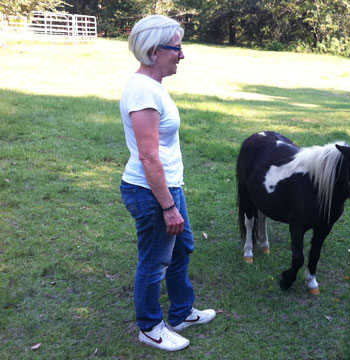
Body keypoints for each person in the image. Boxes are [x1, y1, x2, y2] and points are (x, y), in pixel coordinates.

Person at [119, 15, 215, 352]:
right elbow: (148, 157)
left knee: (182, 247)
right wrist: (168, 207)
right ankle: (149, 327)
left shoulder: (154, 86)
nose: (182, 55)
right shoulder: (143, 91)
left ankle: (181, 312)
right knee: (155, 259)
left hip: (167, 186)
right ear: (155, 50)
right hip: (150, 192)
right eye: (177, 48)